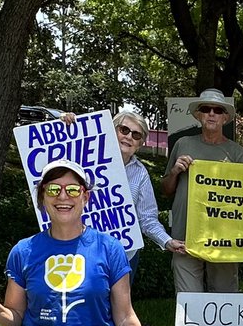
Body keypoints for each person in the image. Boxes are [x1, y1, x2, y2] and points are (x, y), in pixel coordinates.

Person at [0, 159, 150, 326]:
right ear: (42, 198)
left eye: (73, 189)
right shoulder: (23, 251)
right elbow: (15, 318)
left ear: (85, 197)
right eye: (53, 189)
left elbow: (125, 317)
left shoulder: (110, 248)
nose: (63, 196)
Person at [61, 110, 186, 273]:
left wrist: (167, 241)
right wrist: (65, 128)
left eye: (136, 135)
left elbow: (147, 218)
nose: (128, 137)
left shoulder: (140, 174)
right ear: (112, 130)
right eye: (124, 130)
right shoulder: (84, 160)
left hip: (123, 257)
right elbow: (56, 172)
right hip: (78, 252)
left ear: (140, 143)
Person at [161, 89, 243, 293]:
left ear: (225, 118)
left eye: (217, 110)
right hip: (185, 238)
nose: (212, 113)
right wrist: (175, 171)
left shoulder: (238, 154)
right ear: (199, 115)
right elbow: (166, 190)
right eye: (206, 109)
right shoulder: (183, 144)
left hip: (223, 240)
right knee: (188, 302)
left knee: (224, 299)